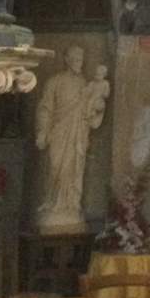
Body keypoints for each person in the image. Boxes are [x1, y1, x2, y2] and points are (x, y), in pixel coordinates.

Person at [34, 46, 110, 232]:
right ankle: (52, 203)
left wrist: (98, 108)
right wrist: (43, 131)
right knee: (54, 166)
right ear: (66, 59)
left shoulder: (85, 84)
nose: (79, 60)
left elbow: (89, 111)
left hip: (78, 134)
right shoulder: (55, 81)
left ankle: (70, 204)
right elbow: (45, 108)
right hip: (58, 133)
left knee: (75, 168)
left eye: (81, 57)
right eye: (75, 57)